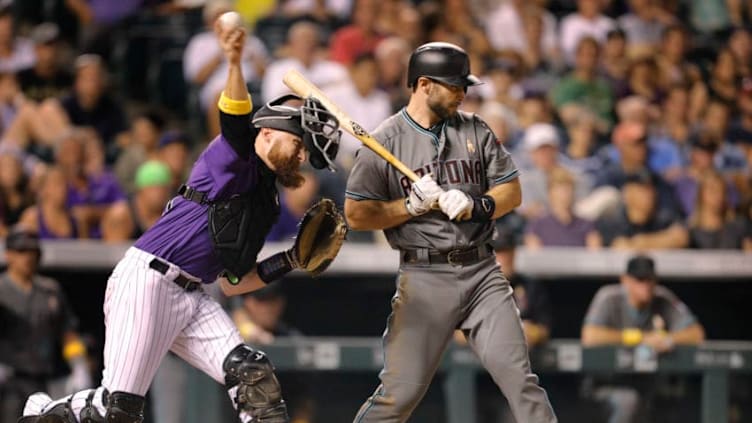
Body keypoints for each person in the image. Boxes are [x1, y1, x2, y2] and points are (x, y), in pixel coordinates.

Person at [17, 20, 342, 423]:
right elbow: (234, 113)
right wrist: (236, 61)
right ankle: (48, 412)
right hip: (148, 280)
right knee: (117, 411)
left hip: (193, 297)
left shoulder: (267, 203)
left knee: (254, 378)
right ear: (268, 134)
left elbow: (233, 282)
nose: (300, 157)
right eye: (297, 144)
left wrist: (290, 260)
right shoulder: (235, 157)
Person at [344, 41, 557, 423]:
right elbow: (357, 214)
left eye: (464, 86)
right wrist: (409, 206)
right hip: (424, 276)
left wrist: (479, 205)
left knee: (520, 380)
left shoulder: (475, 128)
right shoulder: (385, 140)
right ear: (424, 84)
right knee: (400, 394)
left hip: (482, 272)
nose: (463, 93)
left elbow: (512, 191)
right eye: (454, 86)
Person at [581, 254, 705, 423]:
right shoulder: (609, 297)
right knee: (628, 401)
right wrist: (640, 337)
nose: (646, 286)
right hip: (604, 385)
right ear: (625, 280)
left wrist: (668, 339)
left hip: (646, 387)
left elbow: (696, 334)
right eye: (639, 280)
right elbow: (590, 336)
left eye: (649, 280)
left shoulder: (662, 298)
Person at [0, 227, 92, 423]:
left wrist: (78, 365)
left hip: (44, 379)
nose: (28, 257)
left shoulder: (50, 290)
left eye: (32, 251)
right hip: (9, 381)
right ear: (8, 254)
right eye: (21, 251)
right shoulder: (2, 289)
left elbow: (67, 332)